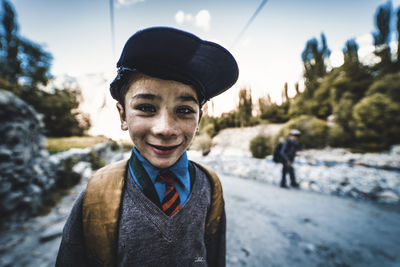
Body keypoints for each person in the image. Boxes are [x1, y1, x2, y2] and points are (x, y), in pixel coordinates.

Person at [56, 27, 238, 267]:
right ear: (123, 115)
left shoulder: (210, 186)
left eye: (184, 111)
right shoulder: (97, 194)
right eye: (146, 108)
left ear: (199, 120)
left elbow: (214, 256)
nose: (165, 129)